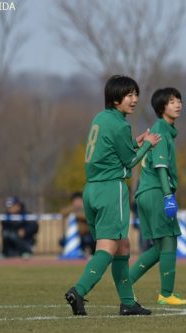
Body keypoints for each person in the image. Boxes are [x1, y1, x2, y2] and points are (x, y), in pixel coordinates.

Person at [64, 75, 160, 316]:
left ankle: (128, 303)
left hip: (91, 190)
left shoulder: (101, 118)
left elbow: (111, 152)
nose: (134, 99)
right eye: (129, 95)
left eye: (136, 94)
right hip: (111, 190)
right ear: (116, 99)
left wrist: (135, 143)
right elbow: (128, 162)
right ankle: (79, 290)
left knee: (122, 245)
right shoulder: (120, 124)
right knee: (108, 247)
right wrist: (147, 144)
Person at [129, 87, 186, 306]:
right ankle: (166, 295)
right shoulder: (161, 131)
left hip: (145, 193)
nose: (178, 104)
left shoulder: (163, 130)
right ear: (161, 107)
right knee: (169, 242)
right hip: (156, 192)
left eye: (179, 100)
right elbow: (161, 166)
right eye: (172, 101)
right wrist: (168, 196)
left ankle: (125, 283)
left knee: (159, 247)